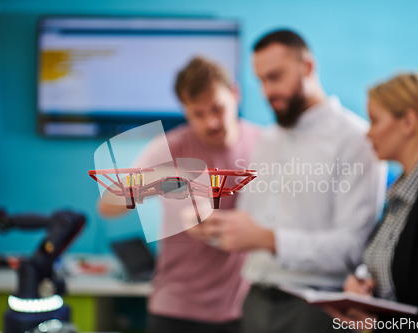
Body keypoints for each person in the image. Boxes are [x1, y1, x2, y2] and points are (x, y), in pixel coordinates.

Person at [202, 29, 387, 333]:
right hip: (255, 300)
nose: (266, 91)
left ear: (308, 67)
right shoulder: (268, 139)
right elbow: (253, 222)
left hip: (317, 309)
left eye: (275, 77)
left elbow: (352, 248)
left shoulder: (355, 140)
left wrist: (268, 239)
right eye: (260, 80)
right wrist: (216, 228)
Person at [97, 57, 262, 333]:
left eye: (218, 108)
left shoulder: (264, 144)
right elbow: (108, 206)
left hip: (242, 309)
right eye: (198, 113)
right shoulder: (170, 148)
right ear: (185, 110)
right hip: (176, 309)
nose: (211, 122)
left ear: (235, 94)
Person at [326, 73, 418, 331]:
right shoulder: (403, 192)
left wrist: (384, 327)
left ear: (408, 122)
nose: (367, 134)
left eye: (374, 120)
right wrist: (363, 283)